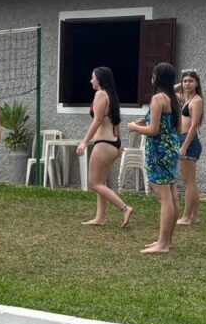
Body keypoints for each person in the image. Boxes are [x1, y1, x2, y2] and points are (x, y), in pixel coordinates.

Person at [127, 63, 180, 254]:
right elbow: (175, 127)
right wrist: (147, 120)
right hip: (171, 150)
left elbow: (153, 130)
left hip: (158, 153)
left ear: (157, 77)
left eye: (153, 75)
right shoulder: (173, 99)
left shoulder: (158, 99)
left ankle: (162, 244)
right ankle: (167, 240)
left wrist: (134, 127)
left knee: (164, 198)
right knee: (171, 194)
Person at [76, 67, 134, 227]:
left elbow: (97, 120)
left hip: (104, 143)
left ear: (99, 79)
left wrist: (84, 142)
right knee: (101, 181)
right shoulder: (110, 95)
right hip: (113, 143)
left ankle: (125, 208)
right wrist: (119, 143)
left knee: (94, 183)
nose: (91, 81)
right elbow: (115, 122)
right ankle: (100, 217)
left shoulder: (100, 94)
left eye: (93, 77)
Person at [174, 69, 204, 226]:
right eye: (185, 81)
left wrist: (184, 146)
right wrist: (182, 83)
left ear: (197, 83)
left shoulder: (197, 100)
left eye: (191, 81)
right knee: (191, 182)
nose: (187, 84)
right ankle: (194, 216)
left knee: (188, 183)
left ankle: (186, 217)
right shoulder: (186, 98)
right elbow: (169, 92)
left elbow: (193, 126)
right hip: (183, 140)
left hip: (189, 142)